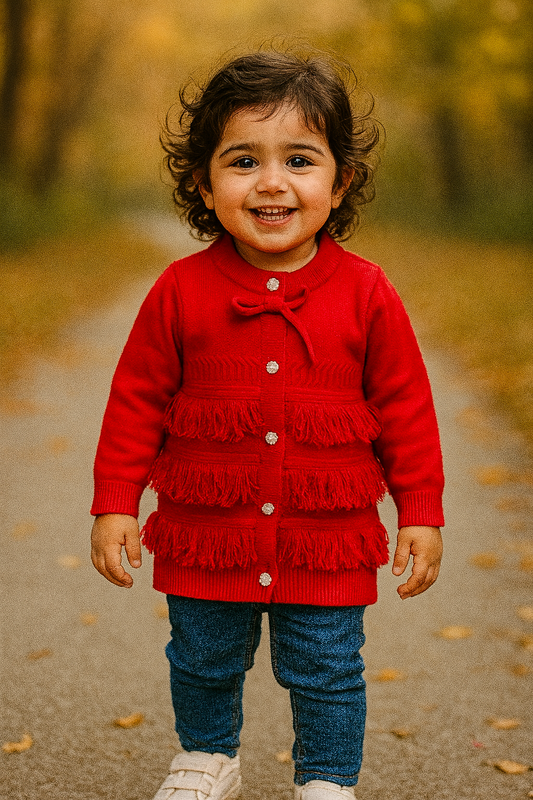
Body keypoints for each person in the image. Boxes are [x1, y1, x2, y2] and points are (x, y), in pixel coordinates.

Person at [90, 47, 444, 800]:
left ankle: (326, 779)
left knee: (326, 666)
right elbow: (135, 401)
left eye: (301, 159)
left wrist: (419, 512)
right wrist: (116, 501)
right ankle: (207, 755)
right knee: (201, 655)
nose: (273, 182)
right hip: (207, 527)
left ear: (340, 179)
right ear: (204, 182)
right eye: (243, 160)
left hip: (325, 534)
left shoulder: (366, 293)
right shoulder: (179, 290)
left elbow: (407, 410)